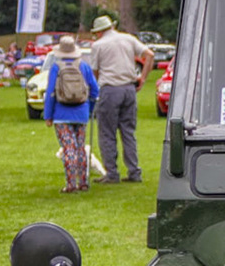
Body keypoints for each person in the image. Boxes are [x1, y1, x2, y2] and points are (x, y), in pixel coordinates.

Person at [87, 13, 152, 182]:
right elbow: (149, 55)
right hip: (129, 89)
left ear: (99, 32)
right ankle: (134, 171)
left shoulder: (98, 45)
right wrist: (142, 78)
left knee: (107, 132)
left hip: (110, 89)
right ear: (112, 26)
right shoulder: (128, 39)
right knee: (128, 132)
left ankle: (112, 173)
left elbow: (95, 71)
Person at [43, 34, 100, 193]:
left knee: (68, 148)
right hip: (81, 113)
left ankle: (71, 184)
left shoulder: (56, 68)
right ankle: (83, 182)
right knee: (80, 147)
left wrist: (48, 115)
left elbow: (50, 92)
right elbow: (95, 90)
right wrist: (89, 109)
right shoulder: (84, 66)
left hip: (61, 114)